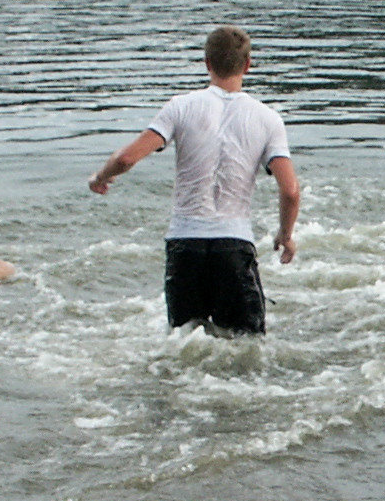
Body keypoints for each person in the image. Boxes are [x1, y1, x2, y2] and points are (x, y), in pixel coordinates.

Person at [89, 25, 301, 335]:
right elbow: (290, 190)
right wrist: (286, 234)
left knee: (185, 342)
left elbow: (126, 158)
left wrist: (100, 177)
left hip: (185, 245)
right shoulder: (267, 119)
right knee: (246, 345)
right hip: (234, 246)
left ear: (207, 63)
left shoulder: (180, 107)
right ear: (247, 65)